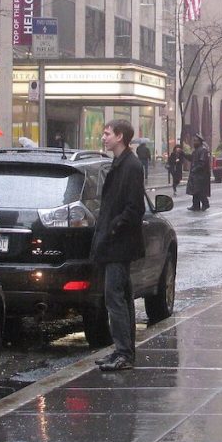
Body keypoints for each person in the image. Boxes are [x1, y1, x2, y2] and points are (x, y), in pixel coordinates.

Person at [91, 119, 146, 372]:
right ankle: (123, 350)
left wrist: (114, 227)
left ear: (120, 136)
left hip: (119, 244)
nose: (104, 137)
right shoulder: (120, 163)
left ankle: (124, 353)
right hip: (115, 242)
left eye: (107, 133)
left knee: (115, 298)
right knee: (120, 297)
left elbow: (135, 207)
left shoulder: (131, 166)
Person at [184, 134, 211, 211]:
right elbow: (191, 158)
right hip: (196, 175)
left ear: (200, 142)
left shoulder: (203, 150)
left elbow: (202, 163)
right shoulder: (196, 151)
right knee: (195, 191)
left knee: (200, 191)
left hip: (201, 176)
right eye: (194, 141)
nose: (194, 142)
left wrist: (195, 169)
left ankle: (205, 204)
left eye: (196, 141)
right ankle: (195, 205)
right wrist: (183, 154)